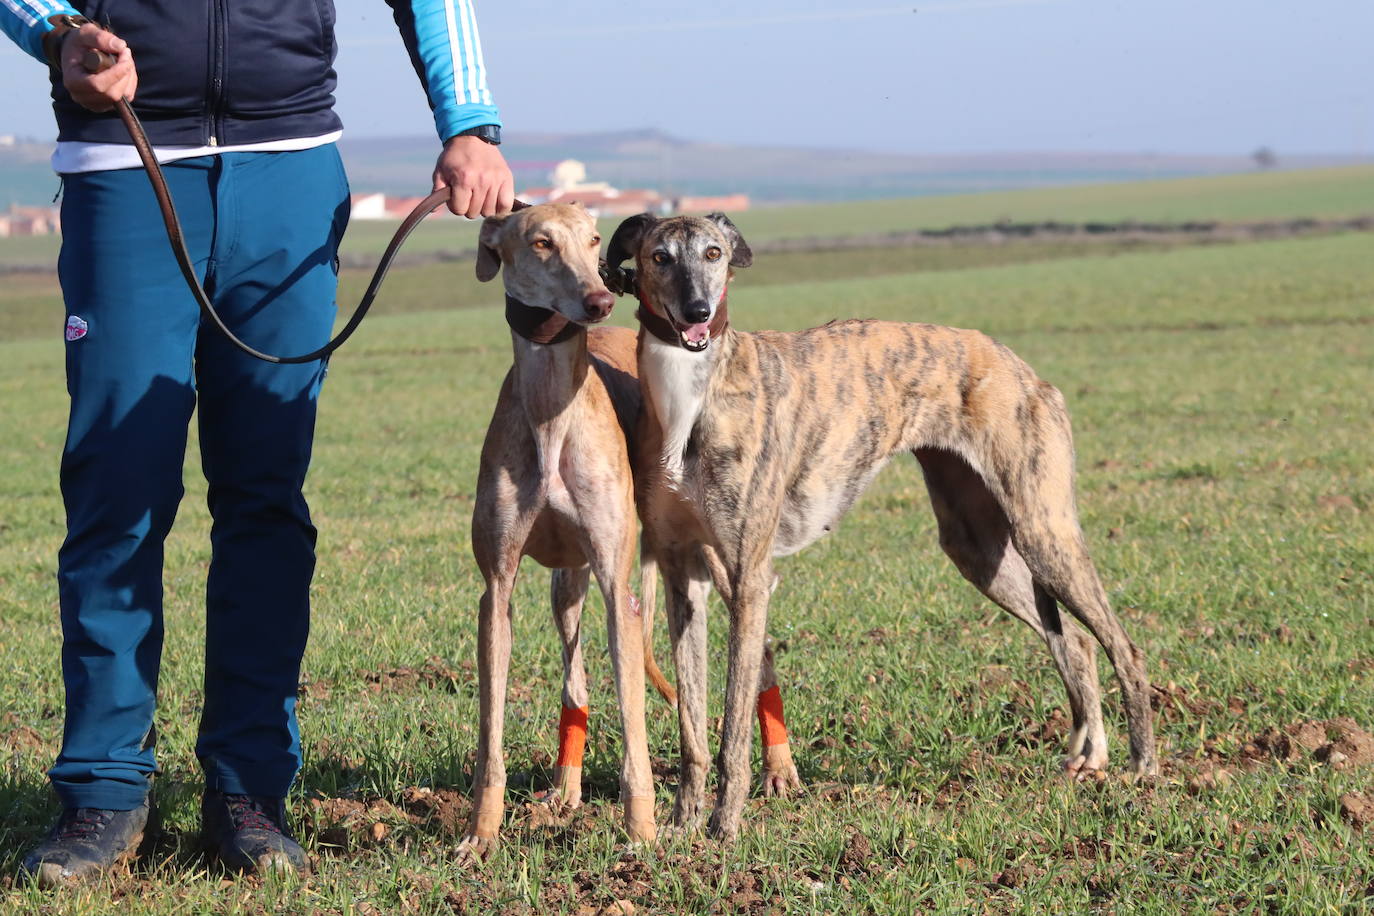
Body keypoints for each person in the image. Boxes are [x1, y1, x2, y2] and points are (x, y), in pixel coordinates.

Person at [1, 0, 513, 885]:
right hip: (124, 154)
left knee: (266, 495)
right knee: (116, 490)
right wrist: (57, 36)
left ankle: (249, 792)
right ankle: (103, 792)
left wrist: (468, 120)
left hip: (289, 172)